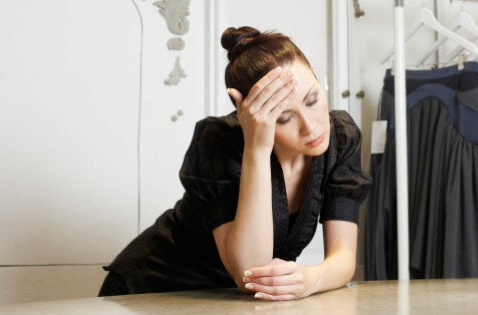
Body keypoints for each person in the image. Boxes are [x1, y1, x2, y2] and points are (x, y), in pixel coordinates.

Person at [98, 26, 370, 301]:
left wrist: (309, 279)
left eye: (313, 100)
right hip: (154, 290)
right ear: (248, 114)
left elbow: (343, 258)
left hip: (232, 301)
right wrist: (257, 149)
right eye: (284, 118)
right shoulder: (220, 141)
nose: (311, 126)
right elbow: (249, 273)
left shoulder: (341, 139)